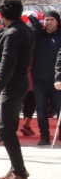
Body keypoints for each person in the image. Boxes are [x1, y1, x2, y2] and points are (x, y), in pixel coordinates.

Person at [0, 0, 35, 179]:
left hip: (11, 84)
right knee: (9, 127)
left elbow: (6, 67)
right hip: (20, 82)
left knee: (5, 129)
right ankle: (16, 166)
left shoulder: (12, 34)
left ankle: (20, 175)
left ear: (2, 14)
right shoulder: (26, 30)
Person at [29, 11, 61, 145]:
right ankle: (44, 137)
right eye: (46, 19)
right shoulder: (39, 36)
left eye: (52, 19)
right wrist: (34, 22)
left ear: (57, 22)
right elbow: (31, 33)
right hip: (39, 80)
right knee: (41, 111)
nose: (48, 22)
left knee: (60, 110)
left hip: (57, 81)